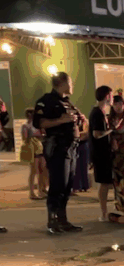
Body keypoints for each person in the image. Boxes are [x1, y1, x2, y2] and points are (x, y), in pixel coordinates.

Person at [33, 72, 86, 234]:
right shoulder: (47, 101)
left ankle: (63, 220)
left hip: (71, 148)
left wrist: (80, 119)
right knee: (58, 184)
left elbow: (74, 119)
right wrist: (62, 120)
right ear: (62, 83)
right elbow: (40, 123)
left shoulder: (67, 102)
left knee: (67, 185)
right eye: (70, 82)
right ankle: (52, 221)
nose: (72, 85)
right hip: (58, 148)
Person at [89, 85, 114, 222]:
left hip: (103, 152)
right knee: (103, 183)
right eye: (111, 95)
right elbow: (97, 134)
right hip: (100, 153)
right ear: (106, 96)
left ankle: (104, 212)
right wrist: (112, 130)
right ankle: (104, 213)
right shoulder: (97, 113)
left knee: (105, 183)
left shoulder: (101, 112)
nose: (112, 98)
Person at [20, 108, 47, 200]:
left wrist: (41, 134)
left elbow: (43, 135)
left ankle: (41, 190)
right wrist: (34, 135)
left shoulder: (38, 125)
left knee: (42, 170)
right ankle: (31, 193)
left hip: (40, 148)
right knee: (33, 171)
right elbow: (25, 138)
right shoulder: (26, 126)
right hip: (32, 150)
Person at [72, 109, 90, 193]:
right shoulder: (78, 121)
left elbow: (86, 133)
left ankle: (83, 185)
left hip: (82, 144)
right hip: (79, 144)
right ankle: (80, 186)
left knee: (82, 166)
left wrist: (78, 135)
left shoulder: (84, 121)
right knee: (78, 166)